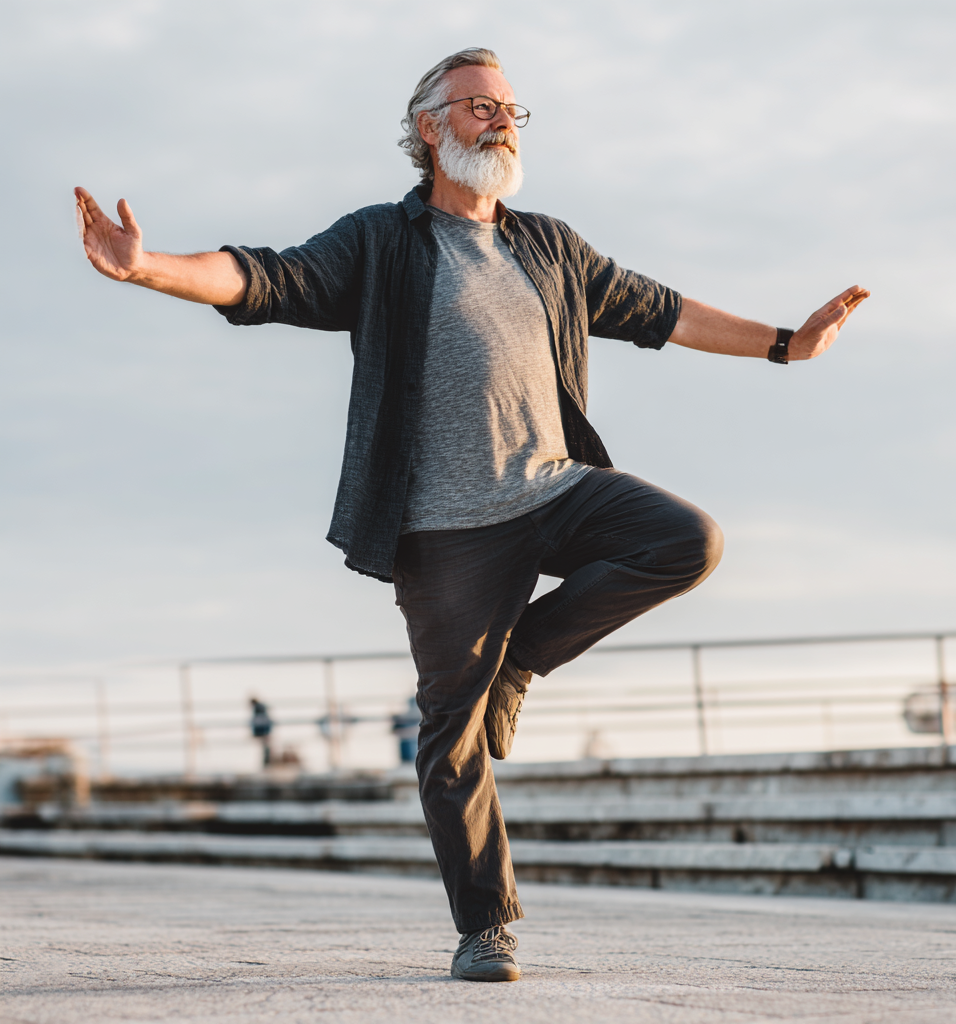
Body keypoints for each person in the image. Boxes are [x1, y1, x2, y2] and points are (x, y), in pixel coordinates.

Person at [74, 47, 868, 983]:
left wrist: (785, 344)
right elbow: (264, 278)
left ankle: (519, 661)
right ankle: (485, 925)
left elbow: (666, 312)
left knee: (685, 539)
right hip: (446, 528)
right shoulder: (382, 242)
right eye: (477, 104)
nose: (499, 119)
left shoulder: (550, 246)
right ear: (428, 127)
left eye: (509, 107)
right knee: (450, 730)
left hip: (555, 488)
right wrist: (147, 269)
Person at [249, 698, 273, 767]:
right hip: (265, 731)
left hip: (263, 731)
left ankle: (266, 762)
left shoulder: (258, 709)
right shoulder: (261, 708)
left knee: (265, 747)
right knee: (266, 747)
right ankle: (266, 762)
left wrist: (256, 733)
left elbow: (258, 721)